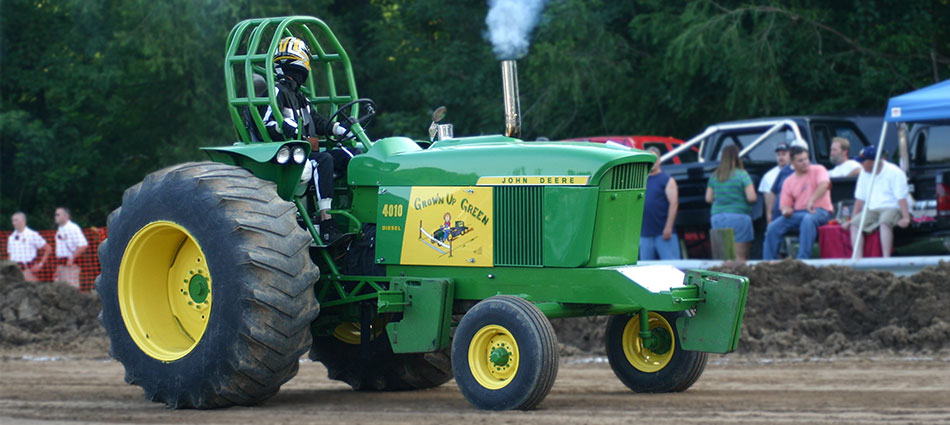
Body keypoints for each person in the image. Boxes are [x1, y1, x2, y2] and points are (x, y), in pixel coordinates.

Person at [262, 36, 350, 243]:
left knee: (350, 156)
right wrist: (282, 126)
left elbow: (317, 121)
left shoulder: (300, 97)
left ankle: (350, 213)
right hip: (290, 155)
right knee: (324, 160)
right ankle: (326, 221)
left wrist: (339, 129)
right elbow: (266, 123)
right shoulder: (276, 92)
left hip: (307, 152)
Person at [763, 146, 833, 259]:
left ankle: (802, 260)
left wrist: (811, 200)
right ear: (792, 163)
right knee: (773, 226)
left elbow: (825, 185)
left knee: (808, 219)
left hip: (820, 210)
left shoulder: (819, 169)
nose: (805, 162)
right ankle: (768, 261)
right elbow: (785, 205)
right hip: (798, 213)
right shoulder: (788, 181)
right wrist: (786, 211)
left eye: (806, 159)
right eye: (800, 160)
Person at [843, 146, 911, 258]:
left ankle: (886, 259)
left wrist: (906, 218)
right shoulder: (864, 173)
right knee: (854, 225)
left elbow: (901, 198)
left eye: (863, 161)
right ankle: (857, 259)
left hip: (892, 206)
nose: (860, 164)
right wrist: (852, 220)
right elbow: (859, 200)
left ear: (873, 162)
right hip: (872, 209)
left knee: (885, 222)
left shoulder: (894, 172)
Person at [705, 144, 757, 262]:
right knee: (739, 257)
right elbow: (751, 197)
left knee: (724, 258)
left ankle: (724, 274)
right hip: (739, 217)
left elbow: (708, 198)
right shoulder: (742, 175)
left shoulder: (715, 175)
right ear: (737, 157)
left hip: (718, 217)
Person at [640, 147, 681, 260]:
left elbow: (674, 204)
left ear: (659, 160)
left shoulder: (667, 180)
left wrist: (668, 227)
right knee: (645, 268)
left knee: (672, 267)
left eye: (655, 159)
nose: (652, 162)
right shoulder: (640, 181)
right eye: (649, 159)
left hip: (664, 234)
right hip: (645, 234)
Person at [7, 212, 51, 282]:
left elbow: (48, 249)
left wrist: (40, 265)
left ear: (23, 221)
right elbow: (9, 256)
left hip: (28, 271)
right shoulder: (11, 237)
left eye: (16, 220)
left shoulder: (32, 234)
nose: (13, 223)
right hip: (14, 272)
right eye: (12, 220)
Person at [53, 207, 88, 288]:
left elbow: (83, 245)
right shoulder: (60, 229)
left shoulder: (73, 228)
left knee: (71, 291)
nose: (55, 216)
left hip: (70, 266)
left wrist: (72, 258)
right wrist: (58, 268)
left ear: (65, 216)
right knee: (59, 291)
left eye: (58, 215)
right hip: (61, 265)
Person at [759, 141, 790, 223]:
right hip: (777, 215)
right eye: (778, 155)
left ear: (791, 155)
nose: (781, 157)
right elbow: (768, 205)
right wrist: (769, 222)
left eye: (784, 154)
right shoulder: (768, 176)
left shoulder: (797, 171)